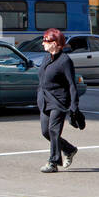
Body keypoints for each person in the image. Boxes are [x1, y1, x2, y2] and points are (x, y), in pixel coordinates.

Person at [36, 27, 80, 173]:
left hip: (59, 101)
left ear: (55, 43)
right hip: (45, 100)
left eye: (46, 40)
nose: (43, 43)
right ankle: (69, 149)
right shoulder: (46, 57)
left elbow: (72, 85)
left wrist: (74, 107)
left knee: (53, 130)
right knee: (45, 132)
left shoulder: (65, 61)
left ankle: (53, 162)